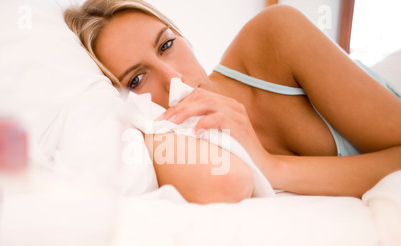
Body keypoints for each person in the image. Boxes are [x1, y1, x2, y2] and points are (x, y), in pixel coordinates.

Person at [64, 0, 401, 203]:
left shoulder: (275, 34)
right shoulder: (177, 146)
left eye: (166, 45)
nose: (172, 78)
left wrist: (274, 168)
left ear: (184, 37)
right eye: (137, 80)